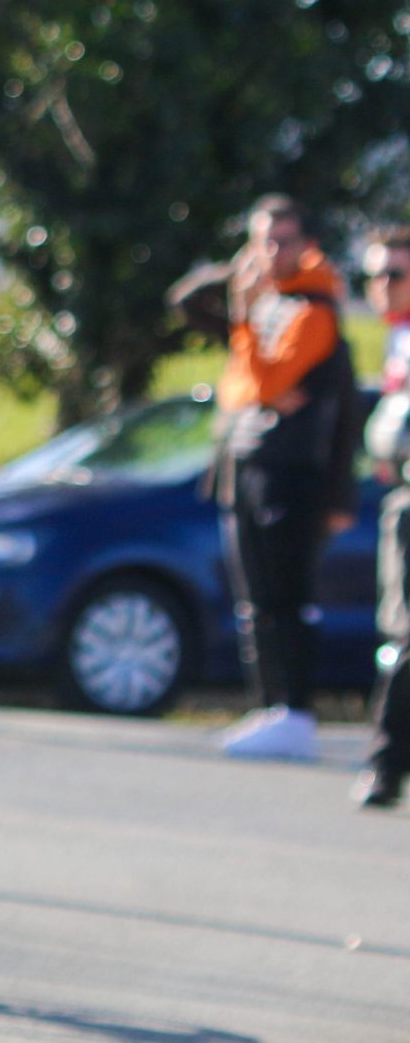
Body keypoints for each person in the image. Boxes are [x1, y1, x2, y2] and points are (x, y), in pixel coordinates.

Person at [212, 197, 359, 762]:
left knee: (286, 596)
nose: (273, 253)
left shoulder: (313, 310)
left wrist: (247, 327)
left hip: (290, 475)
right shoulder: (263, 300)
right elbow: (239, 389)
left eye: (285, 241)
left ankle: (293, 708)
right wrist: (240, 295)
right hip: (247, 464)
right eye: (263, 242)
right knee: (255, 599)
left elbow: (269, 383)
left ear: (308, 244)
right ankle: (268, 704)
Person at [352, 228, 410, 808]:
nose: (381, 286)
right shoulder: (398, 335)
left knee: (404, 632)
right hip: (400, 493)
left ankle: (385, 764)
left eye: (394, 274)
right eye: (373, 275)